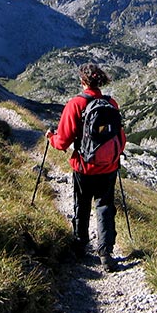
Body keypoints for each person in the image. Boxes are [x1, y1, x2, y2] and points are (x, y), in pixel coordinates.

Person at [46, 63, 126, 272]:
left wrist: (51, 138)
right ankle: (106, 253)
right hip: (109, 168)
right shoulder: (112, 103)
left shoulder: (76, 104)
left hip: (84, 167)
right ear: (101, 81)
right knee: (105, 206)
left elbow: (62, 141)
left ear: (82, 81)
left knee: (81, 204)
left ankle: (80, 247)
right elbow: (121, 138)